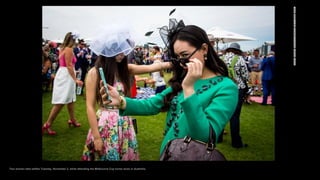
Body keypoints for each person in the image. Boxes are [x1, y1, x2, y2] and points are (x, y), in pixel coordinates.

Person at [100, 19, 238, 158]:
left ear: (204, 49)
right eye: (178, 57)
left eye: (185, 55)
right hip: (169, 153)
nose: (182, 62)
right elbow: (153, 104)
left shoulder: (226, 88)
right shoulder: (183, 79)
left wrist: (189, 89)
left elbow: (204, 136)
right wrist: (122, 101)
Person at [81, 25, 172, 161]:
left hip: (125, 120)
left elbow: (151, 67)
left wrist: (172, 64)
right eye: (119, 50)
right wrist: (97, 137)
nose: (123, 54)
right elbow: (89, 106)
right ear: (108, 50)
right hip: (106, 124)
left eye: (124, 50)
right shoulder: (94, 73)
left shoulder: (125, 69)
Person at [42, 32, 84, 135]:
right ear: (72, 40)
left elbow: (65, 65)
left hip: (63, 73)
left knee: (71, 99)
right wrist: (76, 80)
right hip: (66, 76)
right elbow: (69, 66)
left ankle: (72, 119)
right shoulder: (69, 49)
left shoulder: (62, 48)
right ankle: (47, 124)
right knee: (61, 101)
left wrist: (75, 72)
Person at [219, 42, 249, 148]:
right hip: (237, 88)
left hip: (223, 88)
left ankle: (218, 137)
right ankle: (236, 142)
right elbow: (245, 75)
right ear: (237, 50)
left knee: (221, 113)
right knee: (235, 116)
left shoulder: (221, 59)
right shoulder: (239, 59)